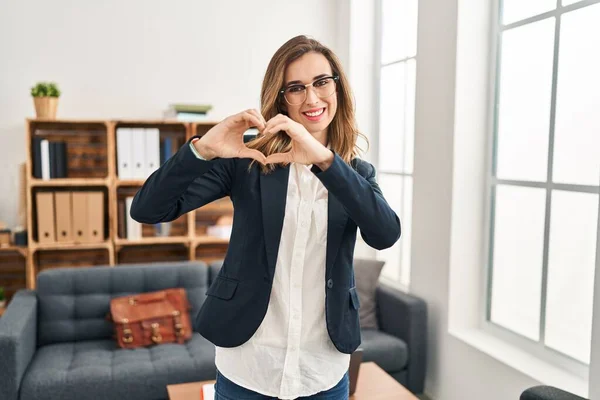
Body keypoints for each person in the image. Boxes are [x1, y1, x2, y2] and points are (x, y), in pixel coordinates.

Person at [130, 35, 401, 400]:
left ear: (338, 87)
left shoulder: (355, 174)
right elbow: (148, 209)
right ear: (281, 98)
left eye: (322, 82)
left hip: (322, 371)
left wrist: (325, 162)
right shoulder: (250, 164)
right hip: (249, 367)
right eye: (295, 88)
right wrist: (204, 149)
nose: (312, 98)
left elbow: (385, 234)